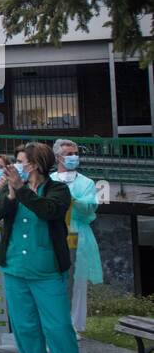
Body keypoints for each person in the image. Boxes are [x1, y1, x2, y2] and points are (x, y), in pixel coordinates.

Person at [0, 143, 100, 353]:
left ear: (35, 165)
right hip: (15, 267)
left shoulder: (58, 189)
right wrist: (12, 193)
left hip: (47, 270)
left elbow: (49, 211)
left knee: (59, 327)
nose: (15, 167)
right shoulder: (11, 188)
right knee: (25, 327)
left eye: (20, 161)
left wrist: (22, 191)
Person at [52, 138, 103, 335]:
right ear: (58, 157)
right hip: (54, 233)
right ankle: (56, 322)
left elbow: (90, 207)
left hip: (78, 234)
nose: (73, 157)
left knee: (78, 281)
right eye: (68, 154)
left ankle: (74, 325)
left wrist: (72, 200)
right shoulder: (50, 180)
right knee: (55, 280)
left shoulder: (86, 182)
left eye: (75, 153)